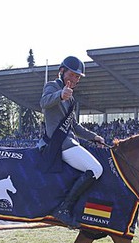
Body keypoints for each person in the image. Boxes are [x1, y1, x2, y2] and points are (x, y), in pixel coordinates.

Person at [39, 56, 106, 228]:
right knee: (96, 169)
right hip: (60, 144)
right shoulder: (52, 87)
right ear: (62, 71)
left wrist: (94, 137)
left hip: (70, 141)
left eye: (78, 77)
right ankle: (63, 209)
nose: (76, 79)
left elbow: (74, 126)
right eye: (73, 74)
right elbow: (44, 102)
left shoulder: (71, 97)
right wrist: (60, 95)